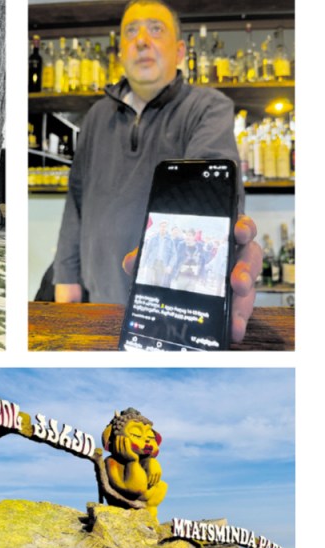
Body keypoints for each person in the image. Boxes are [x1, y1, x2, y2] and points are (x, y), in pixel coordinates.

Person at [48, 0, 262, 342]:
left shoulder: (207, 108)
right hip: (95, 294)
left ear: (180, 51)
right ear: (120, 53)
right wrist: (66, 276)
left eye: (155, 29)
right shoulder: (96, 116)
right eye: (131, 31)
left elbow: (213, 195)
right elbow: (76, 201)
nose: (142, 39)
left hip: (168, 304)